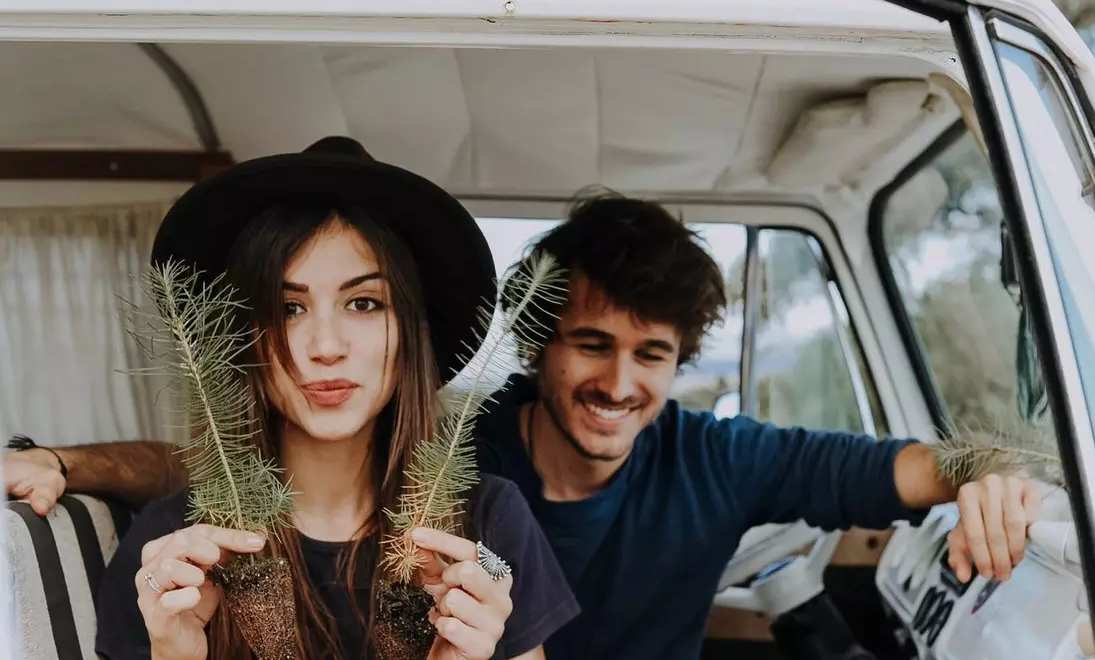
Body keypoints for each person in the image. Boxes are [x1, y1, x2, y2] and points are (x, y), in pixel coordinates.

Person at [6, 190, 1039, 660]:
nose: (616, 383)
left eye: (652, 357)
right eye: (591, 344)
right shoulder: (458, 457)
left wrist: (992, 466)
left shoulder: (716, 457)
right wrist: (64, 462)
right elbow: (215, 471)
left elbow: (916, 466)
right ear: (541, 348)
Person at [38, 136, 581, 660]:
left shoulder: (487, 524)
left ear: (413, 334)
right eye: (287, 308)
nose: (325, 347)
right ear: (238, 335)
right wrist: (174, 656)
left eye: (365, 303)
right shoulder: (172, 549)